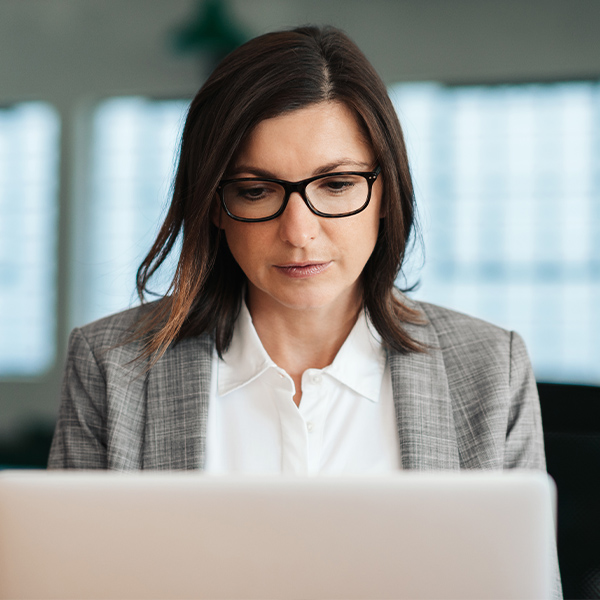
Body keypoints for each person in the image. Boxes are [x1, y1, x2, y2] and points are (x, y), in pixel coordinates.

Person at [48, 24, 561, 597]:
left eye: (337, 184)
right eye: (255, 190)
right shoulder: (111, 365)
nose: (299, 233)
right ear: (214, 205)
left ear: (387, 192)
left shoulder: (491, 367)